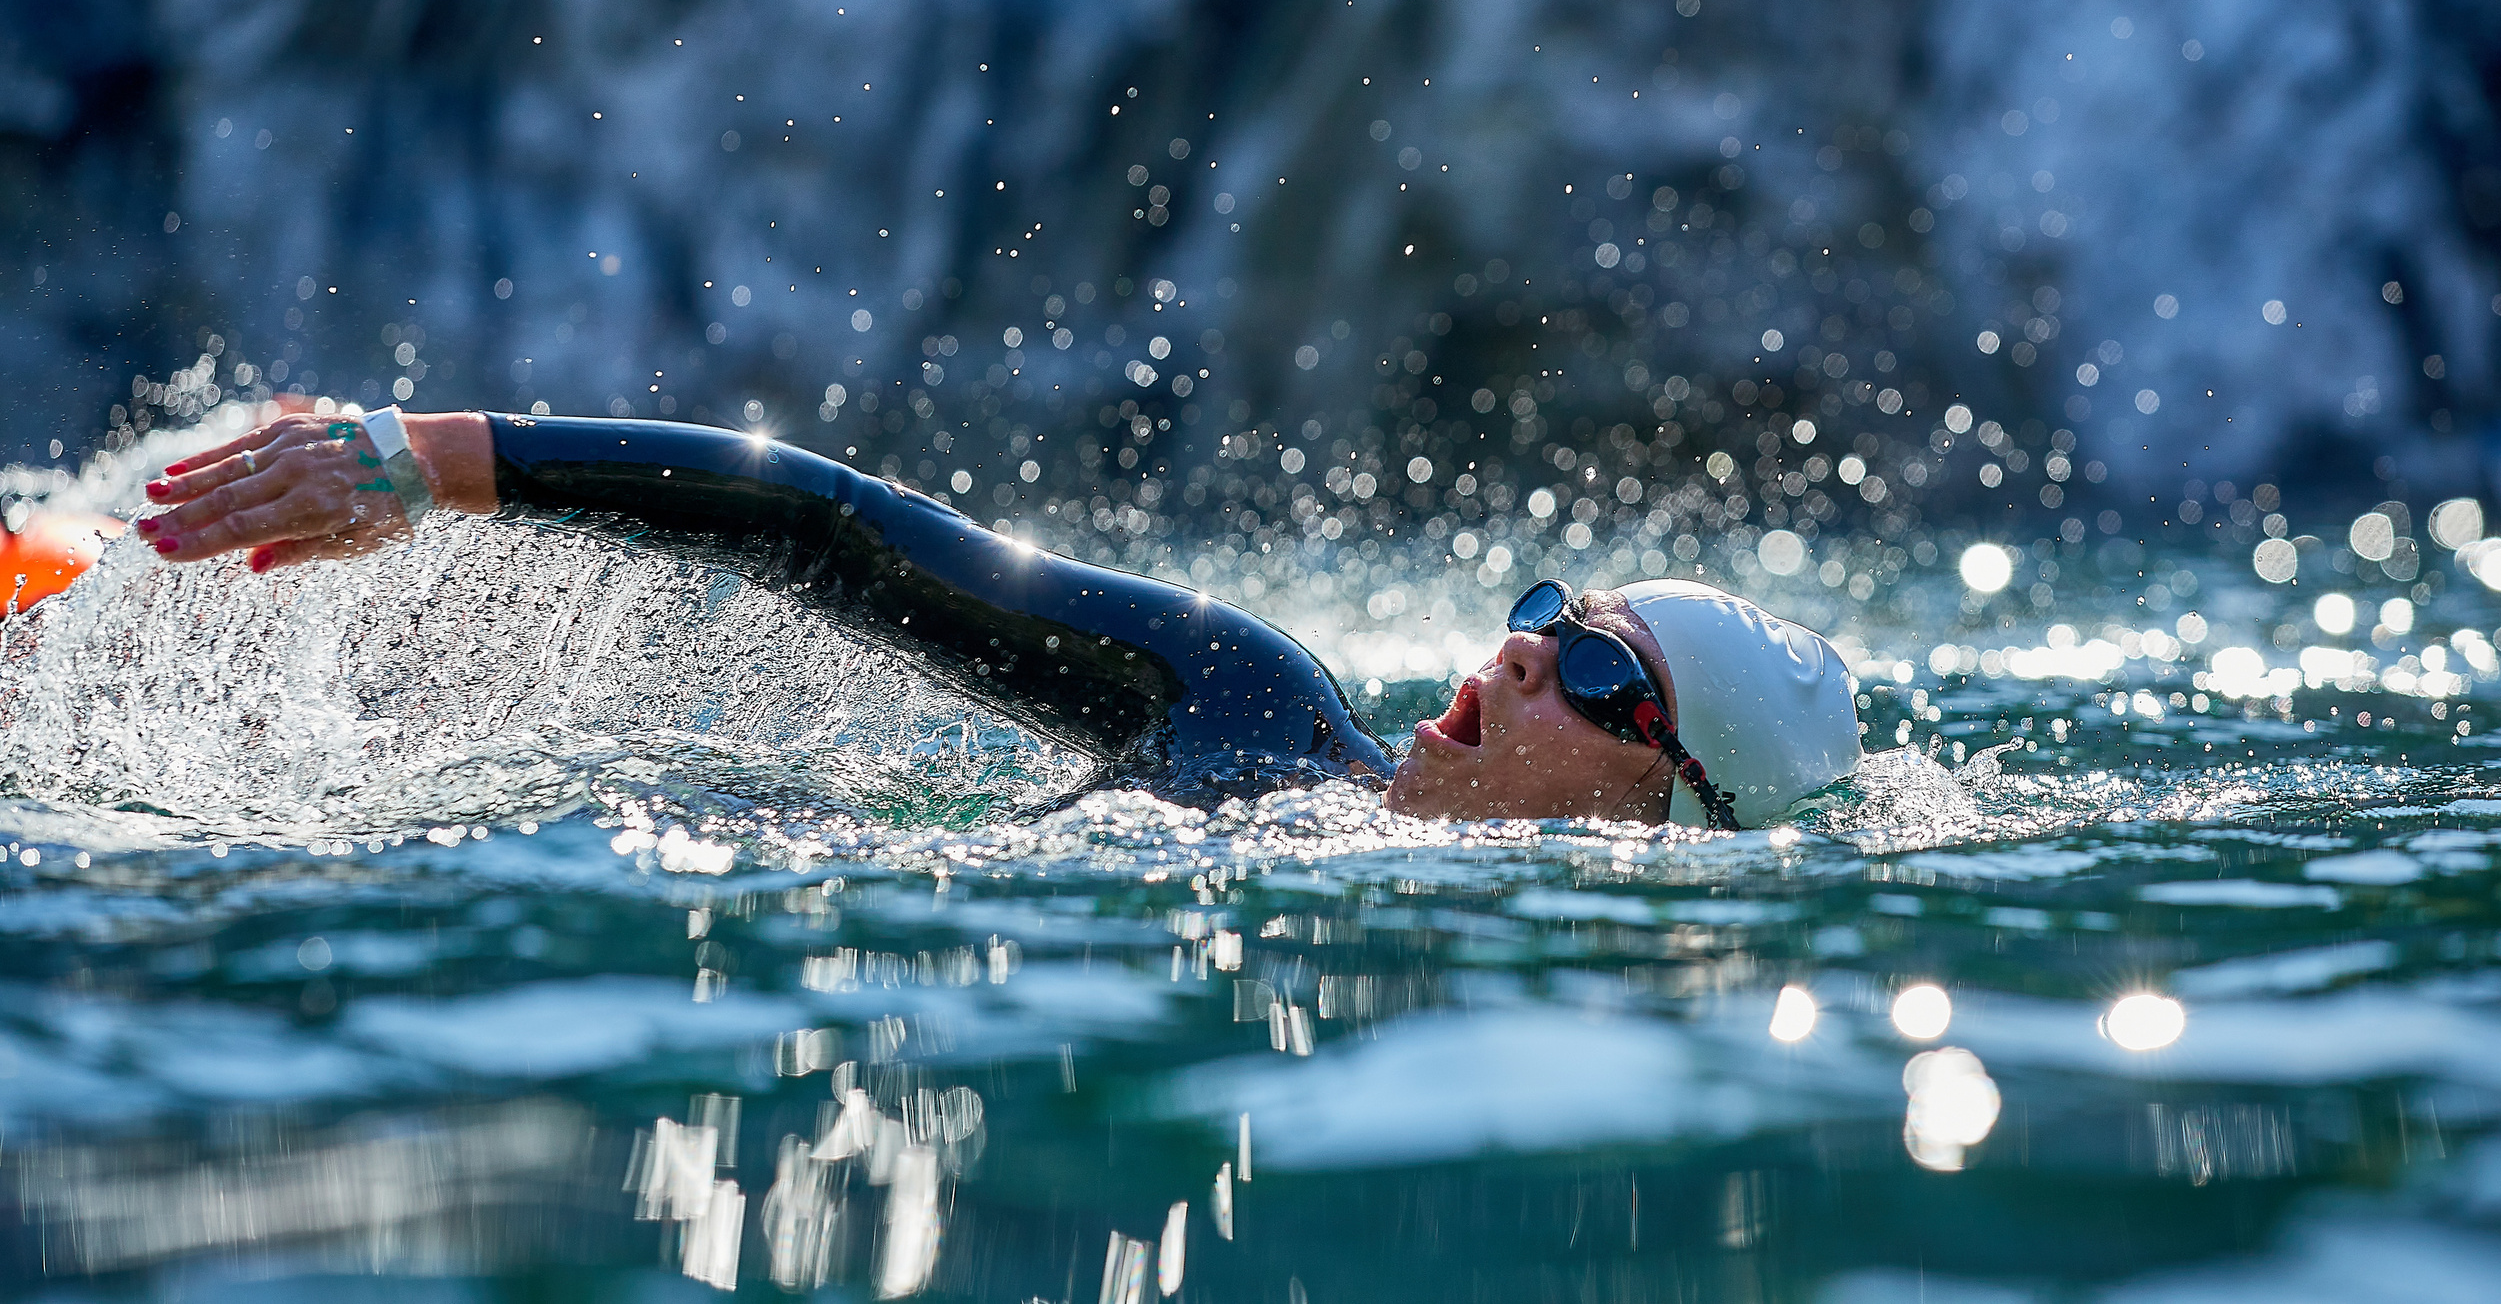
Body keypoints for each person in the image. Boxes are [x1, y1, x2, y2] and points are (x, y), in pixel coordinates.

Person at [139, 408, 1862, 824]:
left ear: (1664, 802)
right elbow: (850, 532)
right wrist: (419, 461)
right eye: (1541, 612)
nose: (1513, 648)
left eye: (1587, 665)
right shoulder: (1252, 708)